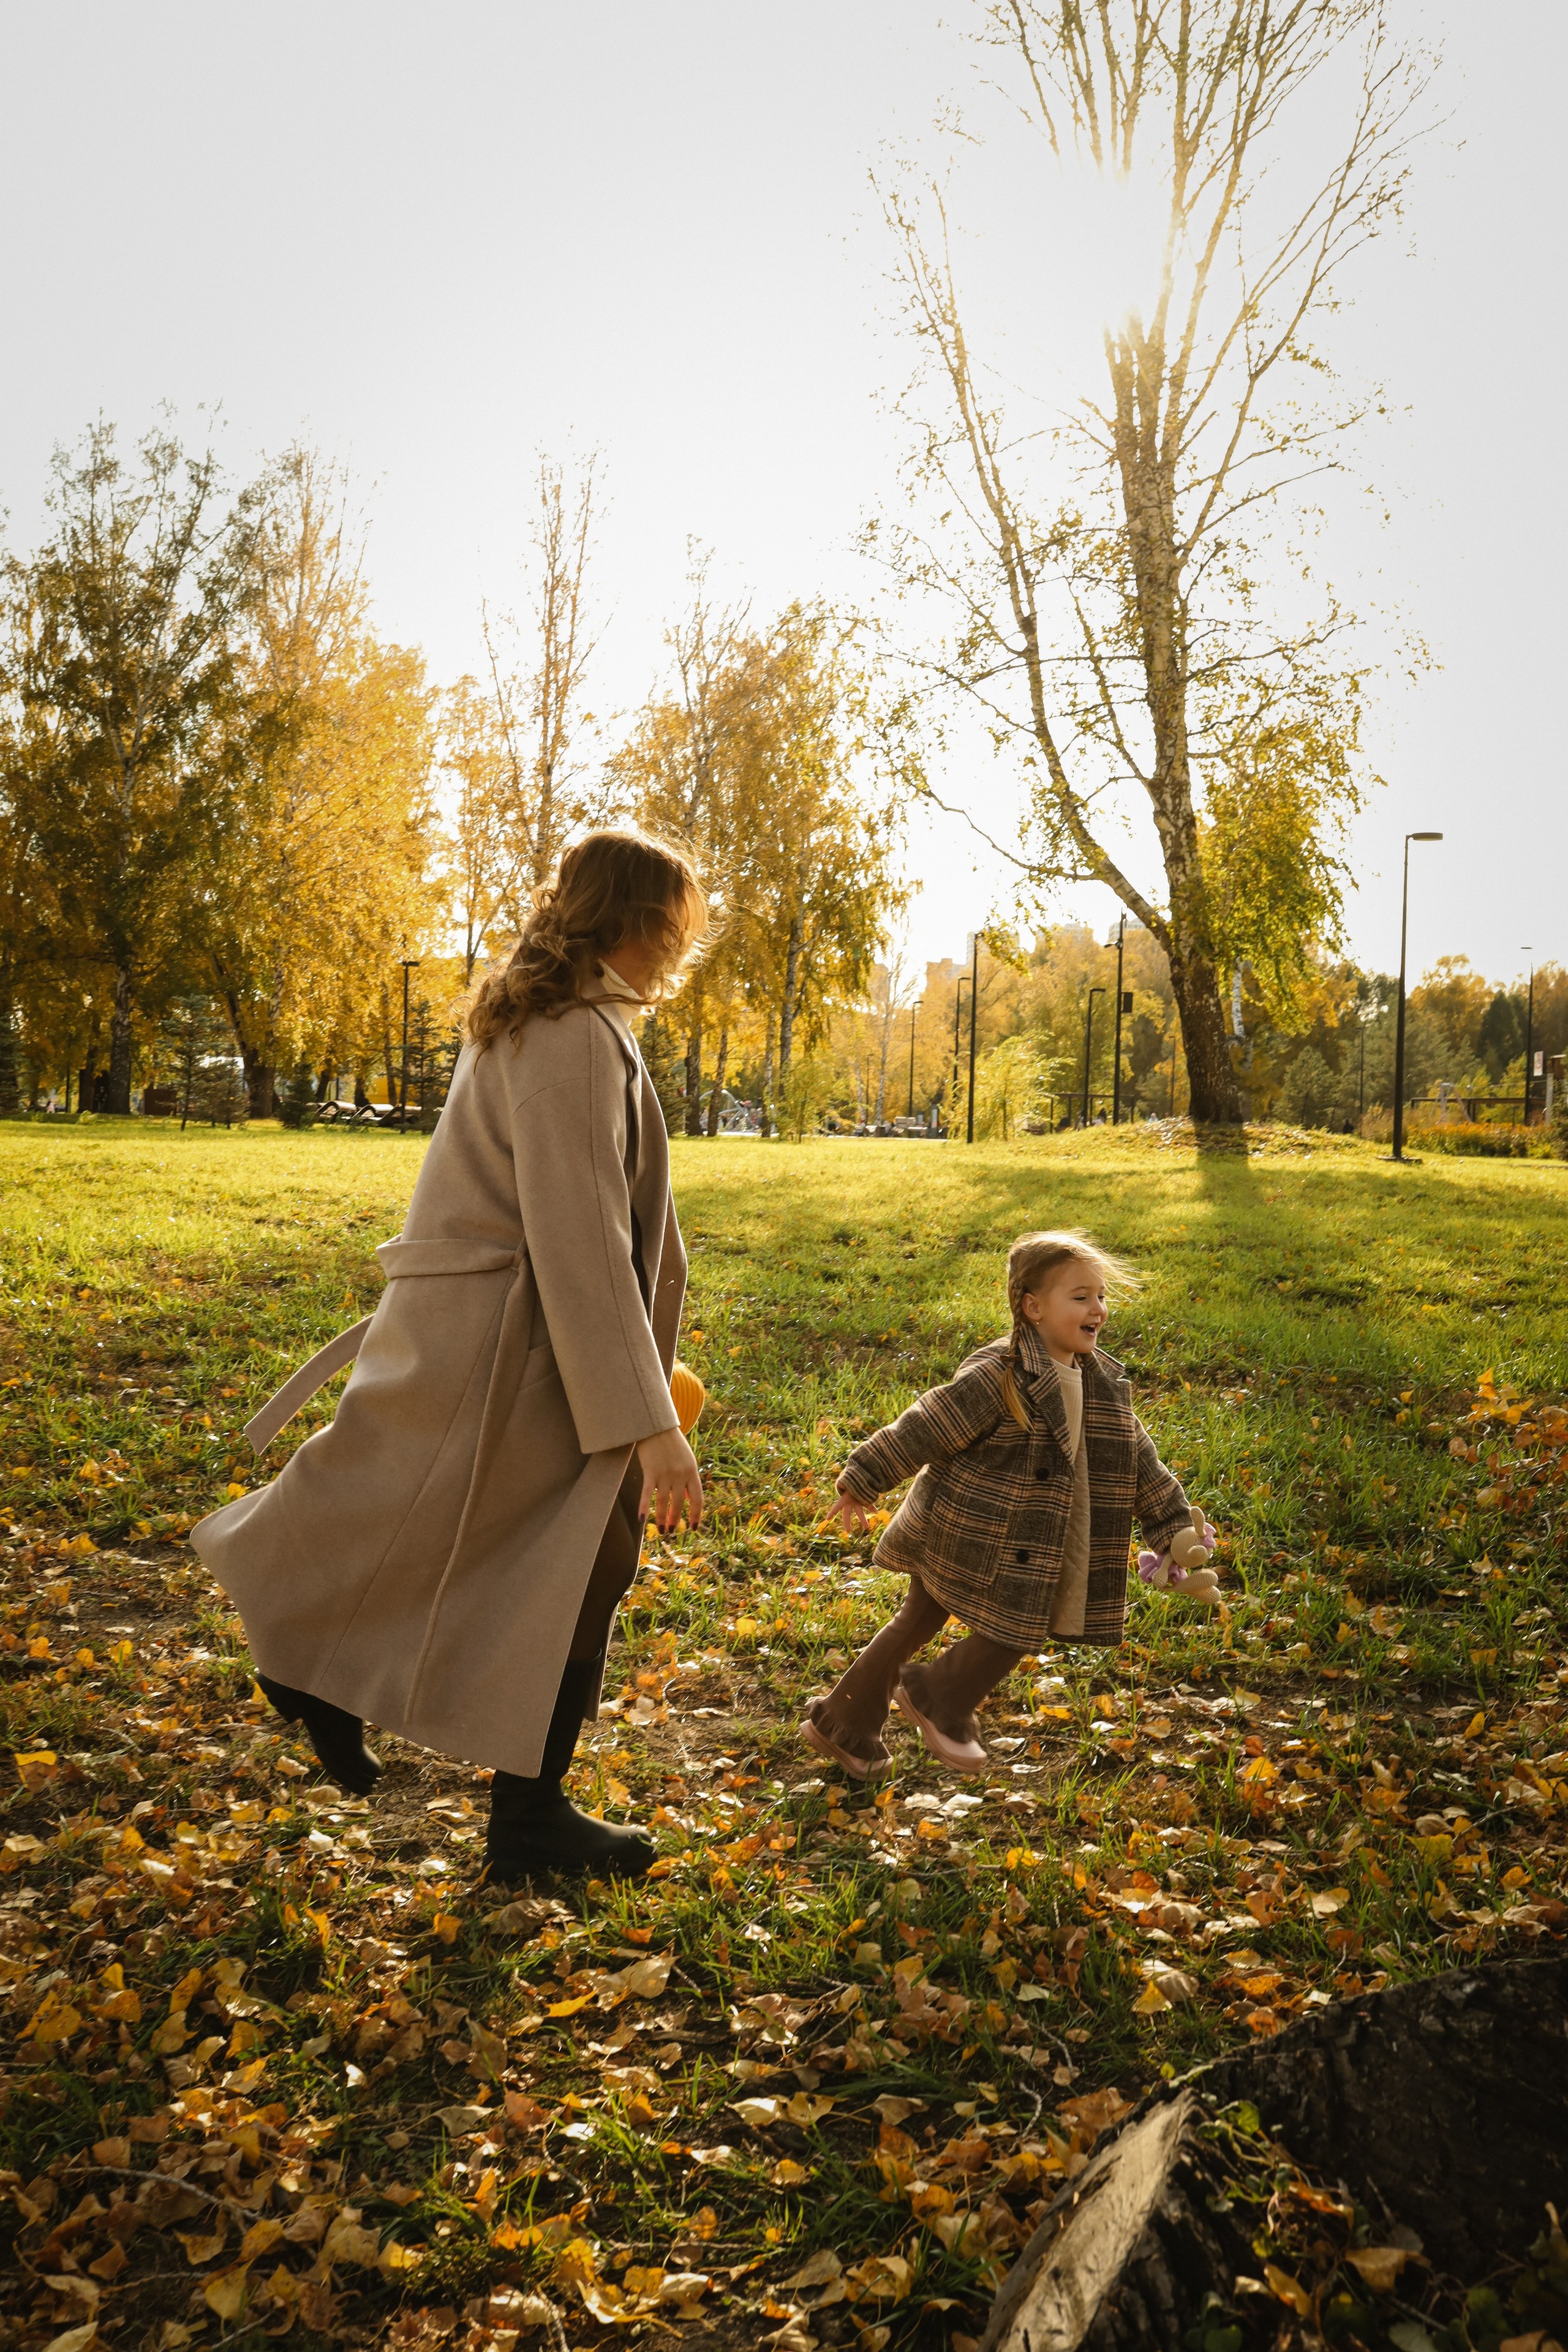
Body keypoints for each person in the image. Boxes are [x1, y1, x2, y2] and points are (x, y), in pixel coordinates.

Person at [192, 831, 706, 1880]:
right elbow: (585, 1242)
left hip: (509, 1337)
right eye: (673, 920)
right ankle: (491, 1796)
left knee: (524, 1548)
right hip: (517, 1351)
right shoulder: (567, 1035)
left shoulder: (560, 1015)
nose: (680, 942)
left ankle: (490, 1793)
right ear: (637, 919)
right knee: (485, 1535)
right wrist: (653, 1429)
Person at [801, 1229, 1210, 1776]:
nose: (1099, 1310)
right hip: (966, 1533)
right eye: (1081, 1297)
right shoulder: (1002, 1374)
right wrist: (864, 1477)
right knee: (1014, 1626)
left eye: (1102, 1297)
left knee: (915, 1623)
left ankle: (843, 1724)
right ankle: (938, 1696)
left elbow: (1142, 1466)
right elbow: (928, 1424)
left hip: (1025, 1541)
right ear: (1033, 1306)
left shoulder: (1105, 1385)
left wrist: (1172, 1530)